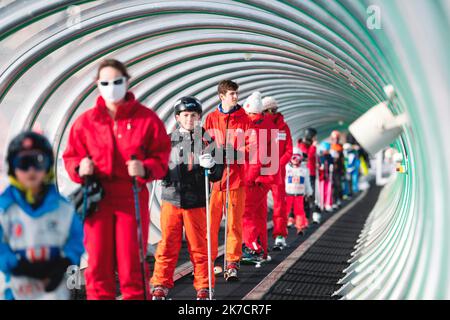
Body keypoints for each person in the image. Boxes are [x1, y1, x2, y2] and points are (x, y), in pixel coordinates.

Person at [63, 59, 171, 300]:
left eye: (117, 81)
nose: (111, 87)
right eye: (105, 82)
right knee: (98, 265)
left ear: (127, 81)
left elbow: (162, 158)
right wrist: (81, 167)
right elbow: (70, 157)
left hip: (130, 197)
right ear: (97, 85)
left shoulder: (146, 119)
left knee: (131, 264)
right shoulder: (86, 122)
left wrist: (144, 168)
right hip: (97, 198)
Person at [150, 97, 223, 300]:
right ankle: (160, 284)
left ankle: (204, 286)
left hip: (197, 201)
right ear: (177, 117)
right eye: (185, 115)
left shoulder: (207, 140)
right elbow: (158, 171)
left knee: (199, 247)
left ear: (199, 117)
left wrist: (213, 166)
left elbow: (218, 174)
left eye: (193, 115)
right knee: (167, 245)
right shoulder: (166, 140)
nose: (190, 119)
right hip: (171, 199)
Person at [0, 131, 84, 300]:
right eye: (24, 163)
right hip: (17, 289)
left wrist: (64, 263)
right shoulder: (5, 209)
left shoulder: (62, 208)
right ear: (12, 167)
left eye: (38, 162)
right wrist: (17, 266)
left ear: (48, 166)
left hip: (54, 289)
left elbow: (76, 239)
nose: (31, 170)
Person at [204, 80, 252, 281]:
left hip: (236, 180)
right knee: (211, 224)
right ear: (221, 96)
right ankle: (209, 262)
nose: (235, 96)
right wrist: (212, 155)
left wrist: (236, 154)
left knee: (233, 224)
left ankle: (232, 262)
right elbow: (204, 142)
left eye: (236, 93)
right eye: (231, 93)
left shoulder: (245, 120)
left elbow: (252, 146)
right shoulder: (211, 118)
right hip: (215, 180)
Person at [241, 92, 280, 261]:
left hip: (256, 179)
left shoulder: (255, 127)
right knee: (259, 215)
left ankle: (251, 248)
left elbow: (257, 158)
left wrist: (249, 178)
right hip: (266, 178)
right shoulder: (270, 125)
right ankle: (262, 250)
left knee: (246, 213)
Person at [261, 96, 293, 251]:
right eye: (268, 110)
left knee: (280, 205)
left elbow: (289, 150)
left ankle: (280, 236)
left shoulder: (283, 127)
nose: (272, 112)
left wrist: (277, 164)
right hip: (260, 172)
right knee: (258, 207)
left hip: (278, 174)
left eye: (274, 109)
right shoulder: (258, 125)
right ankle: (257, 240)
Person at [285, 148, 313, 236]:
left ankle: (300, 227)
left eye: (297, 157)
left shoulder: (304, 170)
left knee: (300, 211)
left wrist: (308, 192)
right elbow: (283, 180)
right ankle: (284, 226)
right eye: (293, 157)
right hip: (289, 193)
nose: (295, 160)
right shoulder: (286, 168)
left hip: (299, 194)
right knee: (286, 210)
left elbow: (307, 182)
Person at [297, 128, 319, 223]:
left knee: (311, 195)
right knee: (305, 195)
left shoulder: (307, 145)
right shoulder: (302, 146)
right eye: (314, 136)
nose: (315, 138)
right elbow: (308, 157)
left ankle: (311, 216)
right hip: (306, 173)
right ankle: (304, 217)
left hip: (311, 173)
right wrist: (313, 147)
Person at [330, 130, 345, 209]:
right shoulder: (330, 147)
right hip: (331, 170)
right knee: (332, 186)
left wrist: (343, 169)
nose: (335, 140)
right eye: (334, 138)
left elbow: (342, 159)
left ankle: (338, 199)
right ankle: (333, 201)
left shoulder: (340, 147)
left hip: (338, 169)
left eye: (337, 138)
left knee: (338, 185)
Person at [318, 141, 334, 212]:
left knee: (329, 190)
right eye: (326, 150)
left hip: (328, 176)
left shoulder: (329, 156)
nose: (327, 151)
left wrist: (331, 166)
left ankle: (328, 204)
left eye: (328, 150)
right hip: (321, 177)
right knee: (321, 191)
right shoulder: (320, 157)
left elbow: (332, 163)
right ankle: (321, 203)